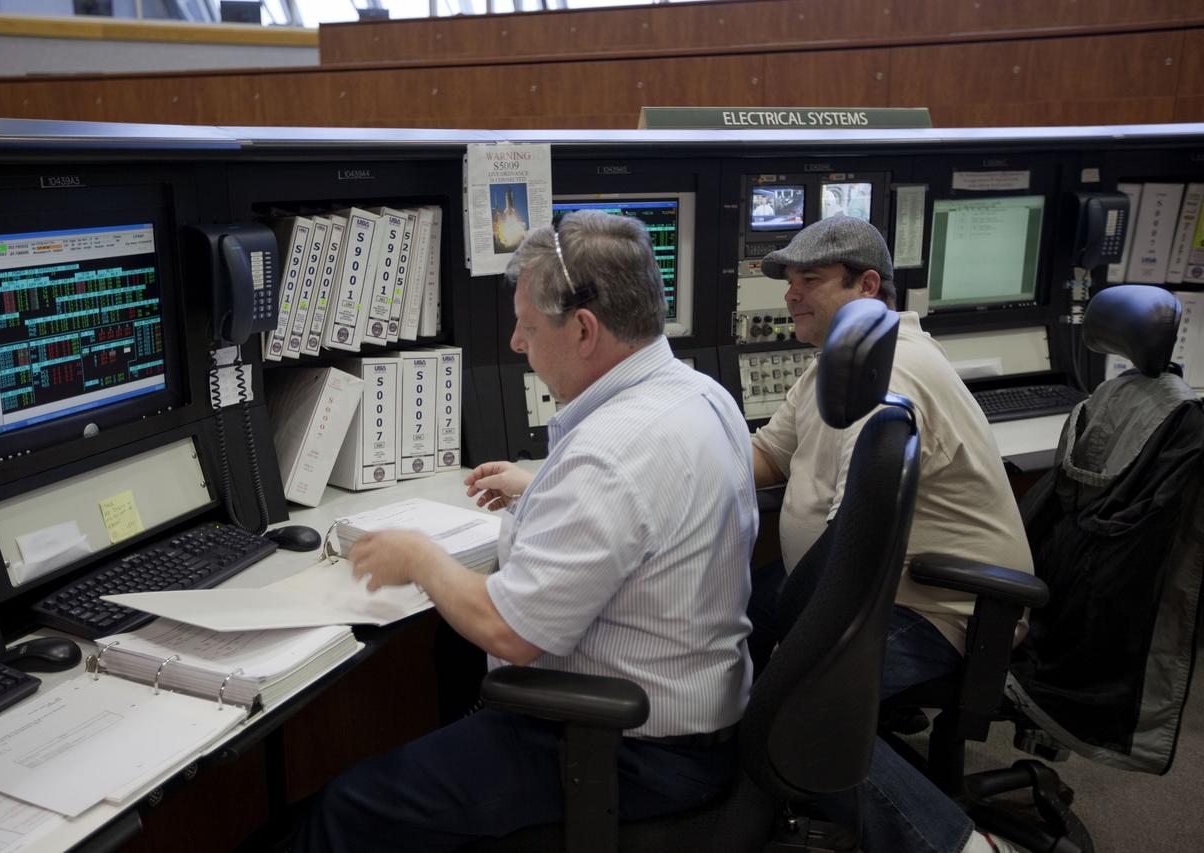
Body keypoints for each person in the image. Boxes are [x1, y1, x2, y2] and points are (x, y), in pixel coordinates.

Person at [296, 209, 757, 852]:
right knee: (449, 663)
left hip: (627, 754)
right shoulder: (700, 395)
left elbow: (509, 633)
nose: (516, 341)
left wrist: (420, 557)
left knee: (349, 808)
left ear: (586, 330)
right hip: (690, 717)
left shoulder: (611, 454)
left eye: (528, 325)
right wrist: (540, 489)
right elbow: (642, 519)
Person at [749, 214, 1036, 853]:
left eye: (811, 280)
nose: (791, 295)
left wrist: (792, 650)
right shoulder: (844, 359)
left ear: (868, 285)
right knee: (718, 622)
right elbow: (766, 455)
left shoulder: (891, 375)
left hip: (940, 607)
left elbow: (849, 539)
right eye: (789, 281)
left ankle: (960, 846)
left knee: (798, 712)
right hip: (876, 588)